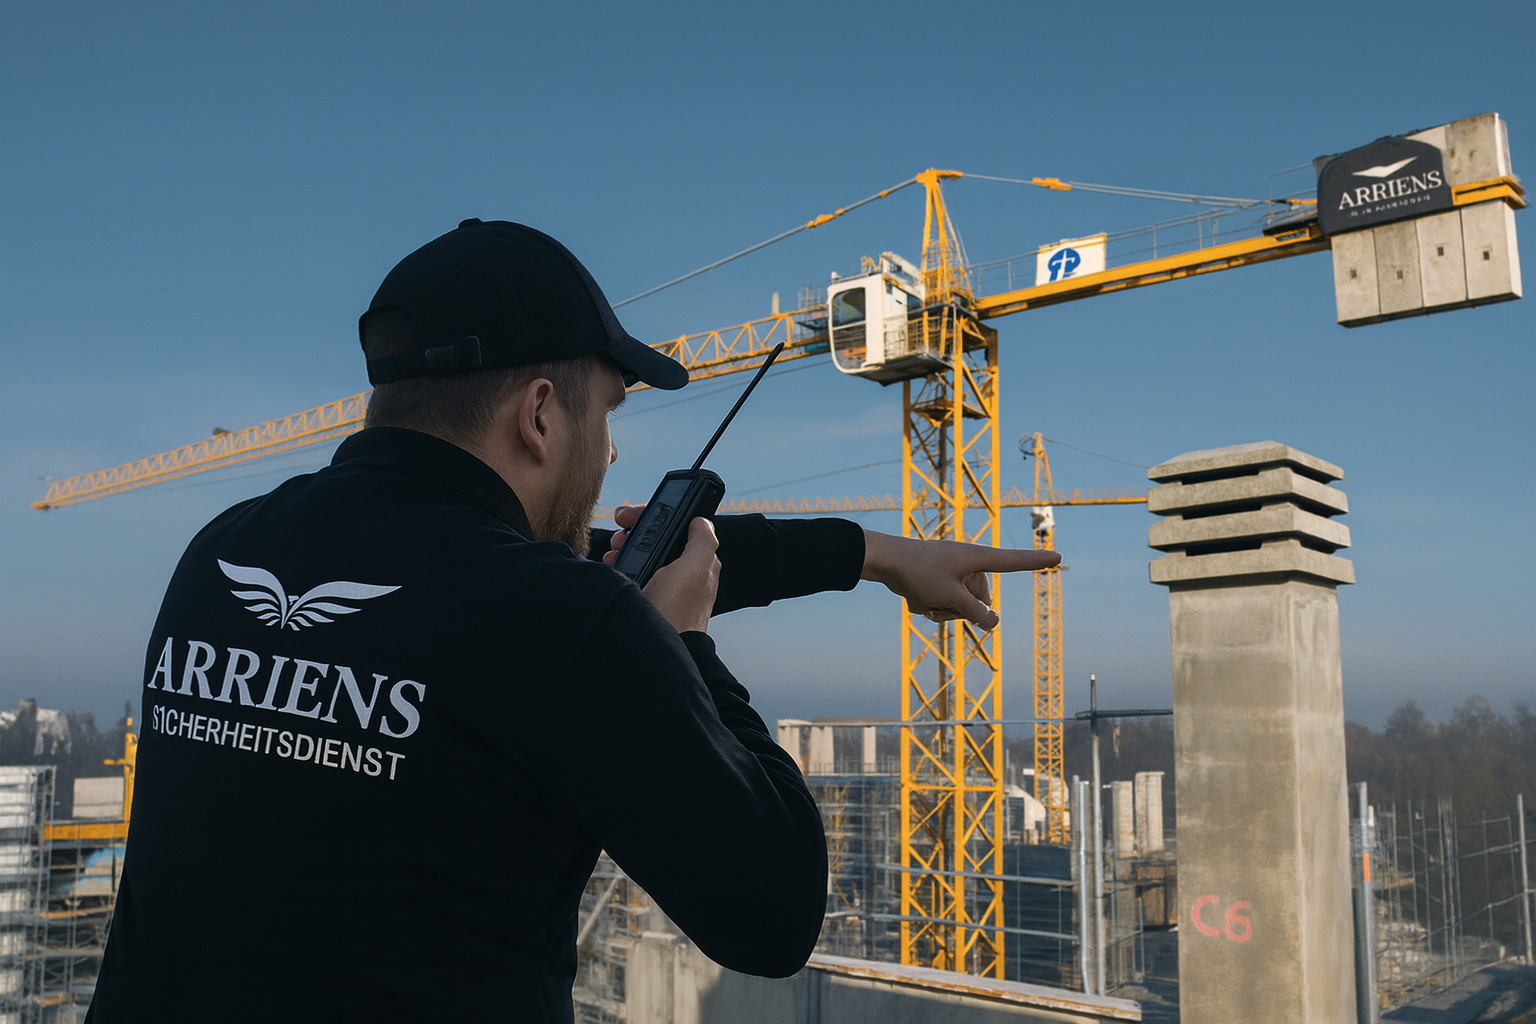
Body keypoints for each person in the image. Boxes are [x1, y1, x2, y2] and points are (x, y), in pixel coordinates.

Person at [86, 219, 1060, 1023]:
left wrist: (872, 554)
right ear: (541, 415)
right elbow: (775, 909)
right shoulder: (557, 617)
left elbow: (614, 565)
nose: (608, 450)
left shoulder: (224, 551)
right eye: (608, 414)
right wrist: (682, 644)